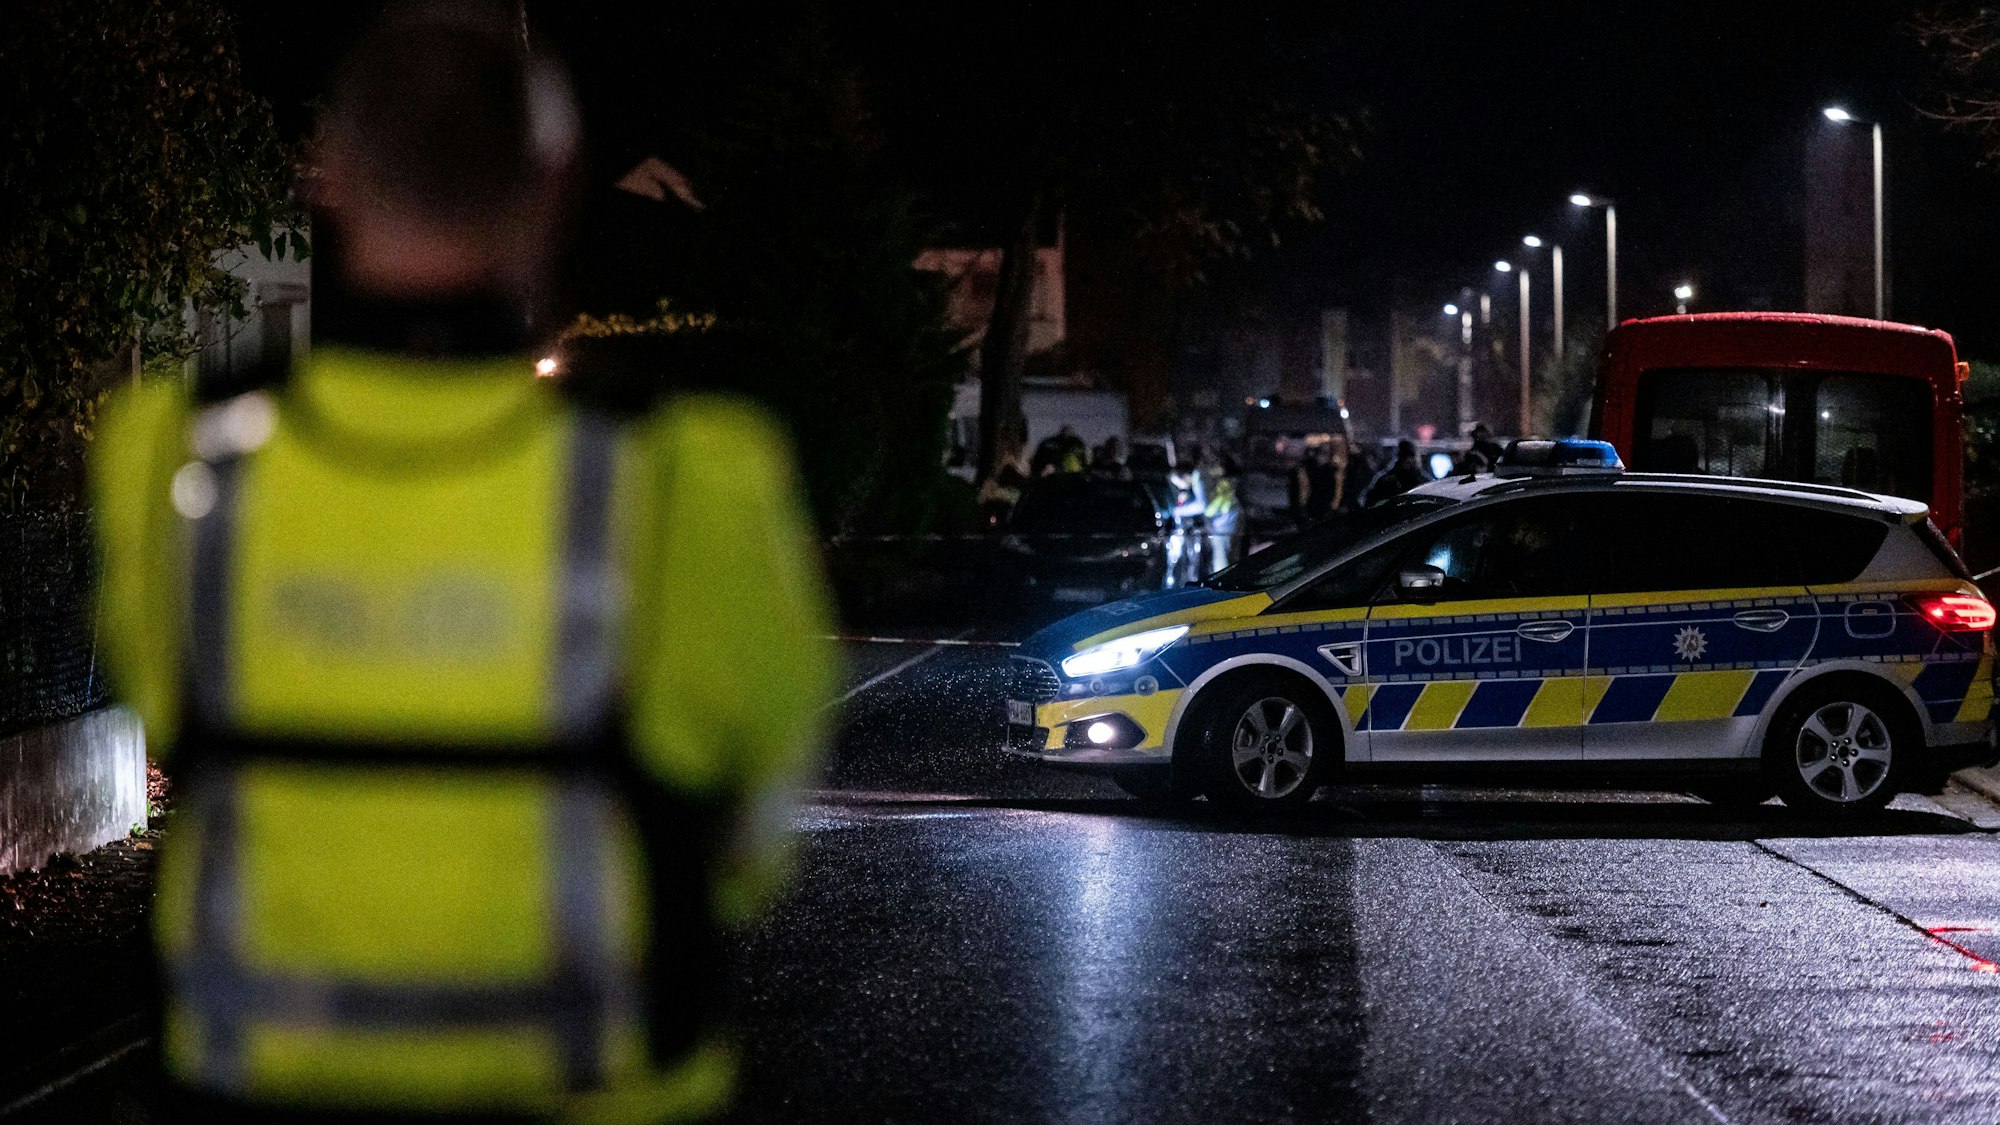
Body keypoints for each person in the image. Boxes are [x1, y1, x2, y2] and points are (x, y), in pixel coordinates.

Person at [90, 6, 832, 1121]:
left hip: (256, 1081)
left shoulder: (172, 453)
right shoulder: (687, 472)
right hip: (593, 1086)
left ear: (328, 170)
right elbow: (754, 827)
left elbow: (170, 716)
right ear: (555, 183)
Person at [1364, 439, 1429, 506]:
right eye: (1406, 456)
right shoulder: (1386, 480)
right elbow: (1370, 502)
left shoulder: (1423, 480)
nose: (1409, 460)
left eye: (1411, 456)